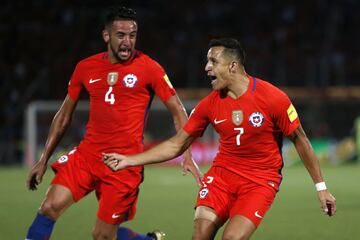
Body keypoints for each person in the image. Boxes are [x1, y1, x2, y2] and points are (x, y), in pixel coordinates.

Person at [102, 38, 337, 240]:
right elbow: (176, 144)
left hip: (259, 181)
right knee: (200, 234)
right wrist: (130, 160)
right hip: (222, 176)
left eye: (213, 61)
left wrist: (321, 188)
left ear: (233, 65)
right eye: (207, 61)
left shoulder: (273, 98)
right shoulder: (209, 105)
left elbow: (300, 139)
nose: (206, 67)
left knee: (233, 237)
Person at [25, 6, 202, 240]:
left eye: (132, 35)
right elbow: (64, 115)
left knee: (103, 236)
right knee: (48, 208)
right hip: (88, 155)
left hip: (124, 163)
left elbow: (178, 111)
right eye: (121, 35)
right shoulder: (85, 67)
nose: (127, 41)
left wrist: (187, 154)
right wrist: (43, 159)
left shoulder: (150, 68)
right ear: (106, 36)